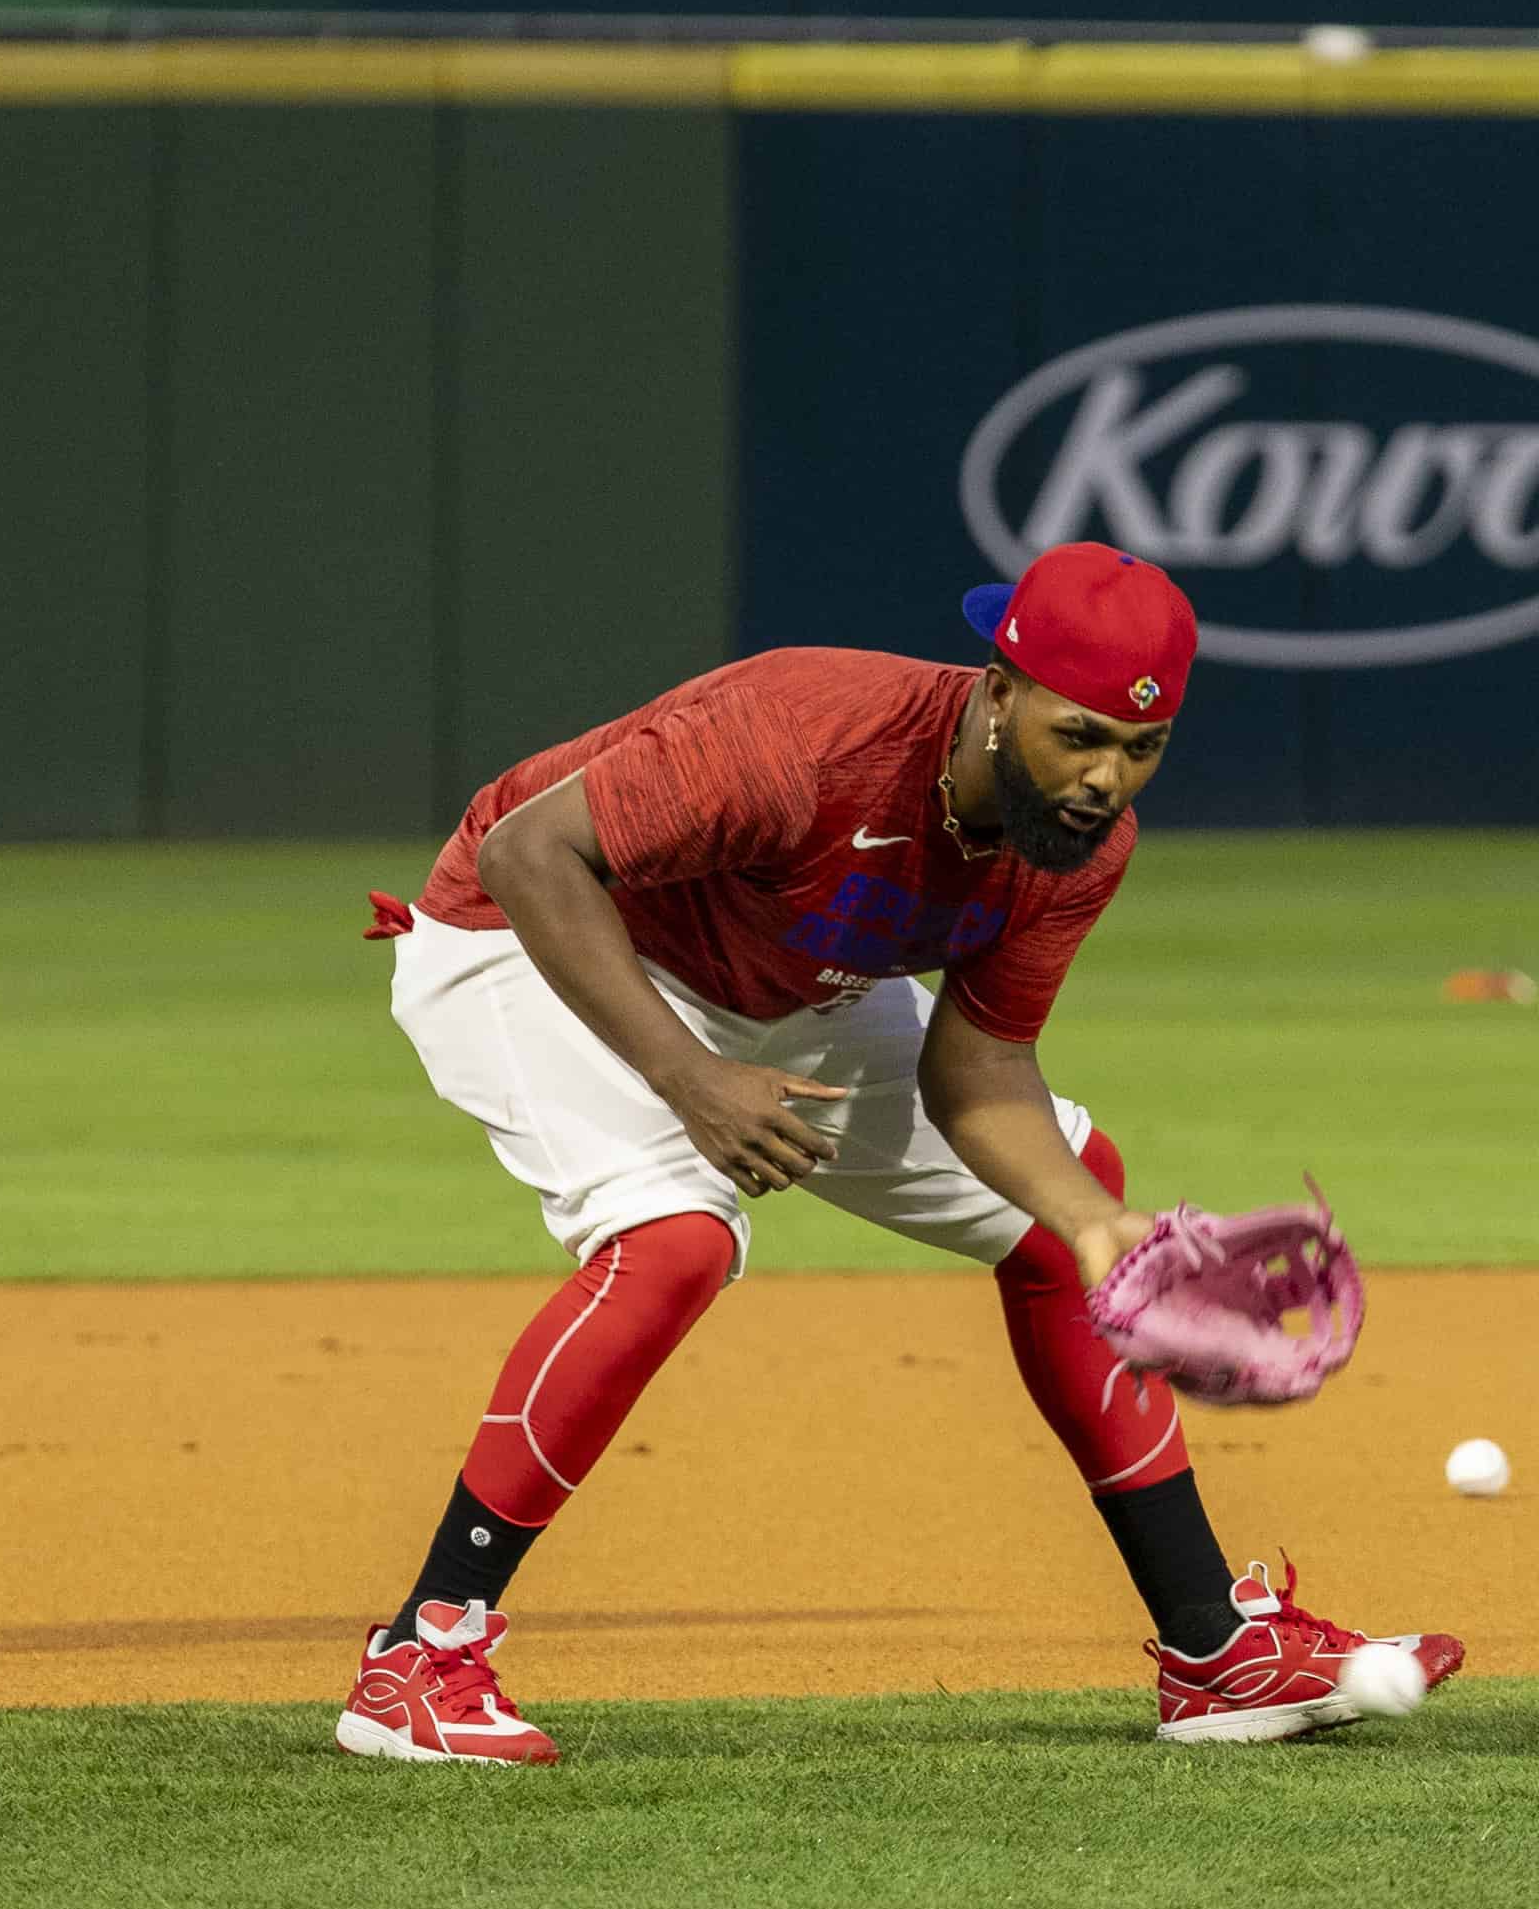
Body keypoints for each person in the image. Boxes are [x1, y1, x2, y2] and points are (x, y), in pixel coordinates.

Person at [340, 540, 1462, 1765]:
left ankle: (1214, 1654)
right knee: (673, 1241)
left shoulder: (1073, 847)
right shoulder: (803, 734)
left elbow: (980, 1071)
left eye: (1142, 750)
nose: (1104, 778)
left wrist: (1098, 1234)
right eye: (1078, 734)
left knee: (1061, 1214)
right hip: (529, 937)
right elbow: (527, 855)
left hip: (782, 986)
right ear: (998, 690)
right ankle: (419, 1657)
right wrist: (689, 1080)